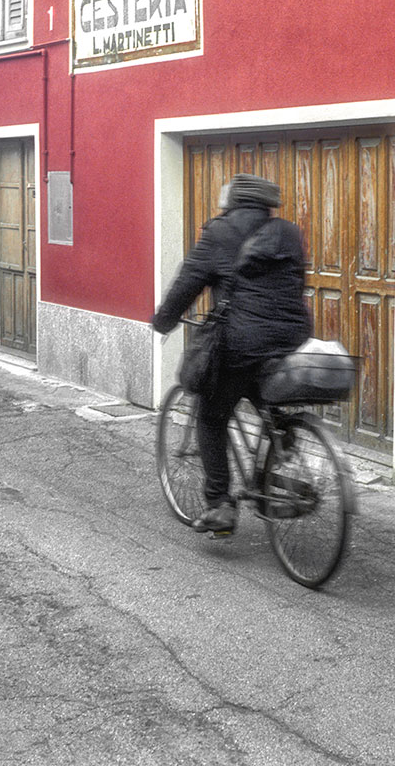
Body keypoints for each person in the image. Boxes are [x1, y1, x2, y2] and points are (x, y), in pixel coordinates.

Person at [152, 173, 312, 534]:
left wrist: (164, 321)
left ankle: (220, 505)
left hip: (240, 341)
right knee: (260, 385)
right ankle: (281, 435)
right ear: (268, 202)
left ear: (233, 201)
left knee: (211, 416)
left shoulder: (219, 232)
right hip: (291, 336)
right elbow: (297, 283)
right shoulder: (288, 232)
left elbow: (187, 283)